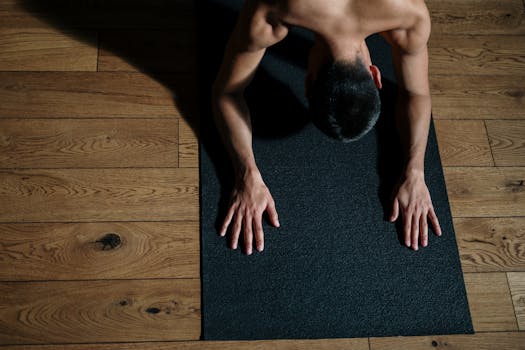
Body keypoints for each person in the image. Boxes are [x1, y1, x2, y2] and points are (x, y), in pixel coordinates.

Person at [211, 0, 443, 255]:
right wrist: (246, 174)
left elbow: (416, 95)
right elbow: (226, 93)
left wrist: (416, 171)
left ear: (377, 76)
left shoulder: (272, 10)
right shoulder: (411, 14)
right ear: (376, 76)